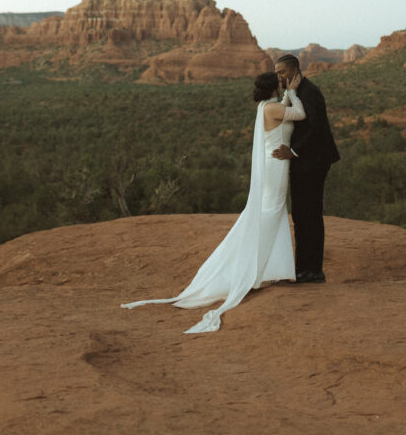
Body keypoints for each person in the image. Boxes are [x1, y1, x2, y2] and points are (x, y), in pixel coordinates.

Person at [121, 71, 305, 334]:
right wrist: (294, 92)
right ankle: (257, 269)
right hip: (276, 166)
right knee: (273, 212)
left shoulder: (265, 106)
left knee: (272, 212)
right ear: (272, 88)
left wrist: (286, 94)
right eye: (279, 83)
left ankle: (264, 268)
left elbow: (285, 110)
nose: (282, 84)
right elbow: (299, 114)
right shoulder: (273, 108)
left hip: (275, 162)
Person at [273, 54, 339, 283]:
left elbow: (317, 128)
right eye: (277, 73)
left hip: (314, 161)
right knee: (301, 215)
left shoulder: (310, 92)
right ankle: (303, 268)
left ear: (294, 70)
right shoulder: (295, 92)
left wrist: (293, 151)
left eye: (282, 72)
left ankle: (313, 270)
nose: (279, 76)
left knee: (310, 214)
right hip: (302, 162)